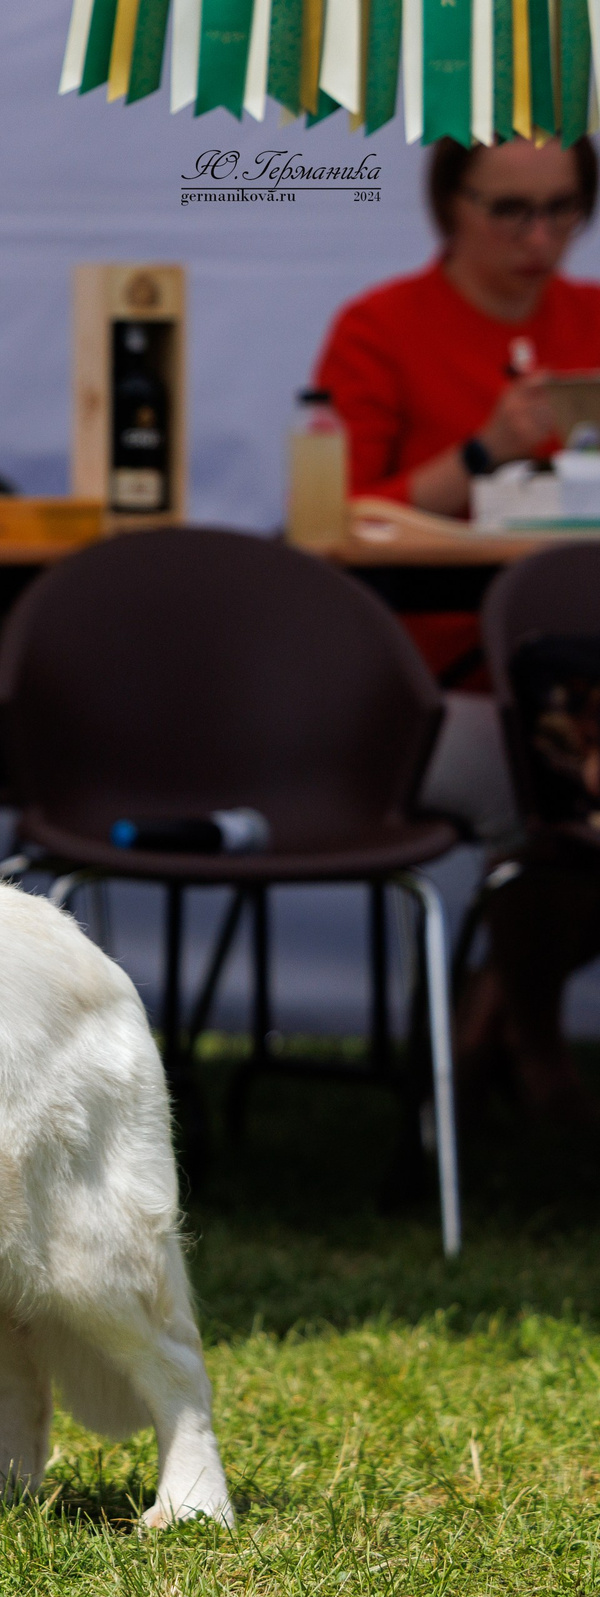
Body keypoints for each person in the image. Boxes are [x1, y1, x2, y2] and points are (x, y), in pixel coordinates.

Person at [314, 137, 600, 1129]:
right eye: (508, 210)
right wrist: (482, 453)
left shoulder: (592, 316)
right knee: (553, 788)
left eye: (562, 209)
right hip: (434, 690)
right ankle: (528, 1028)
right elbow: (335, 520)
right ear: (449, 204)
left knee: (569, 780)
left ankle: (494, 1007)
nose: (539, 237)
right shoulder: (380, 326)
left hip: (577, 680)